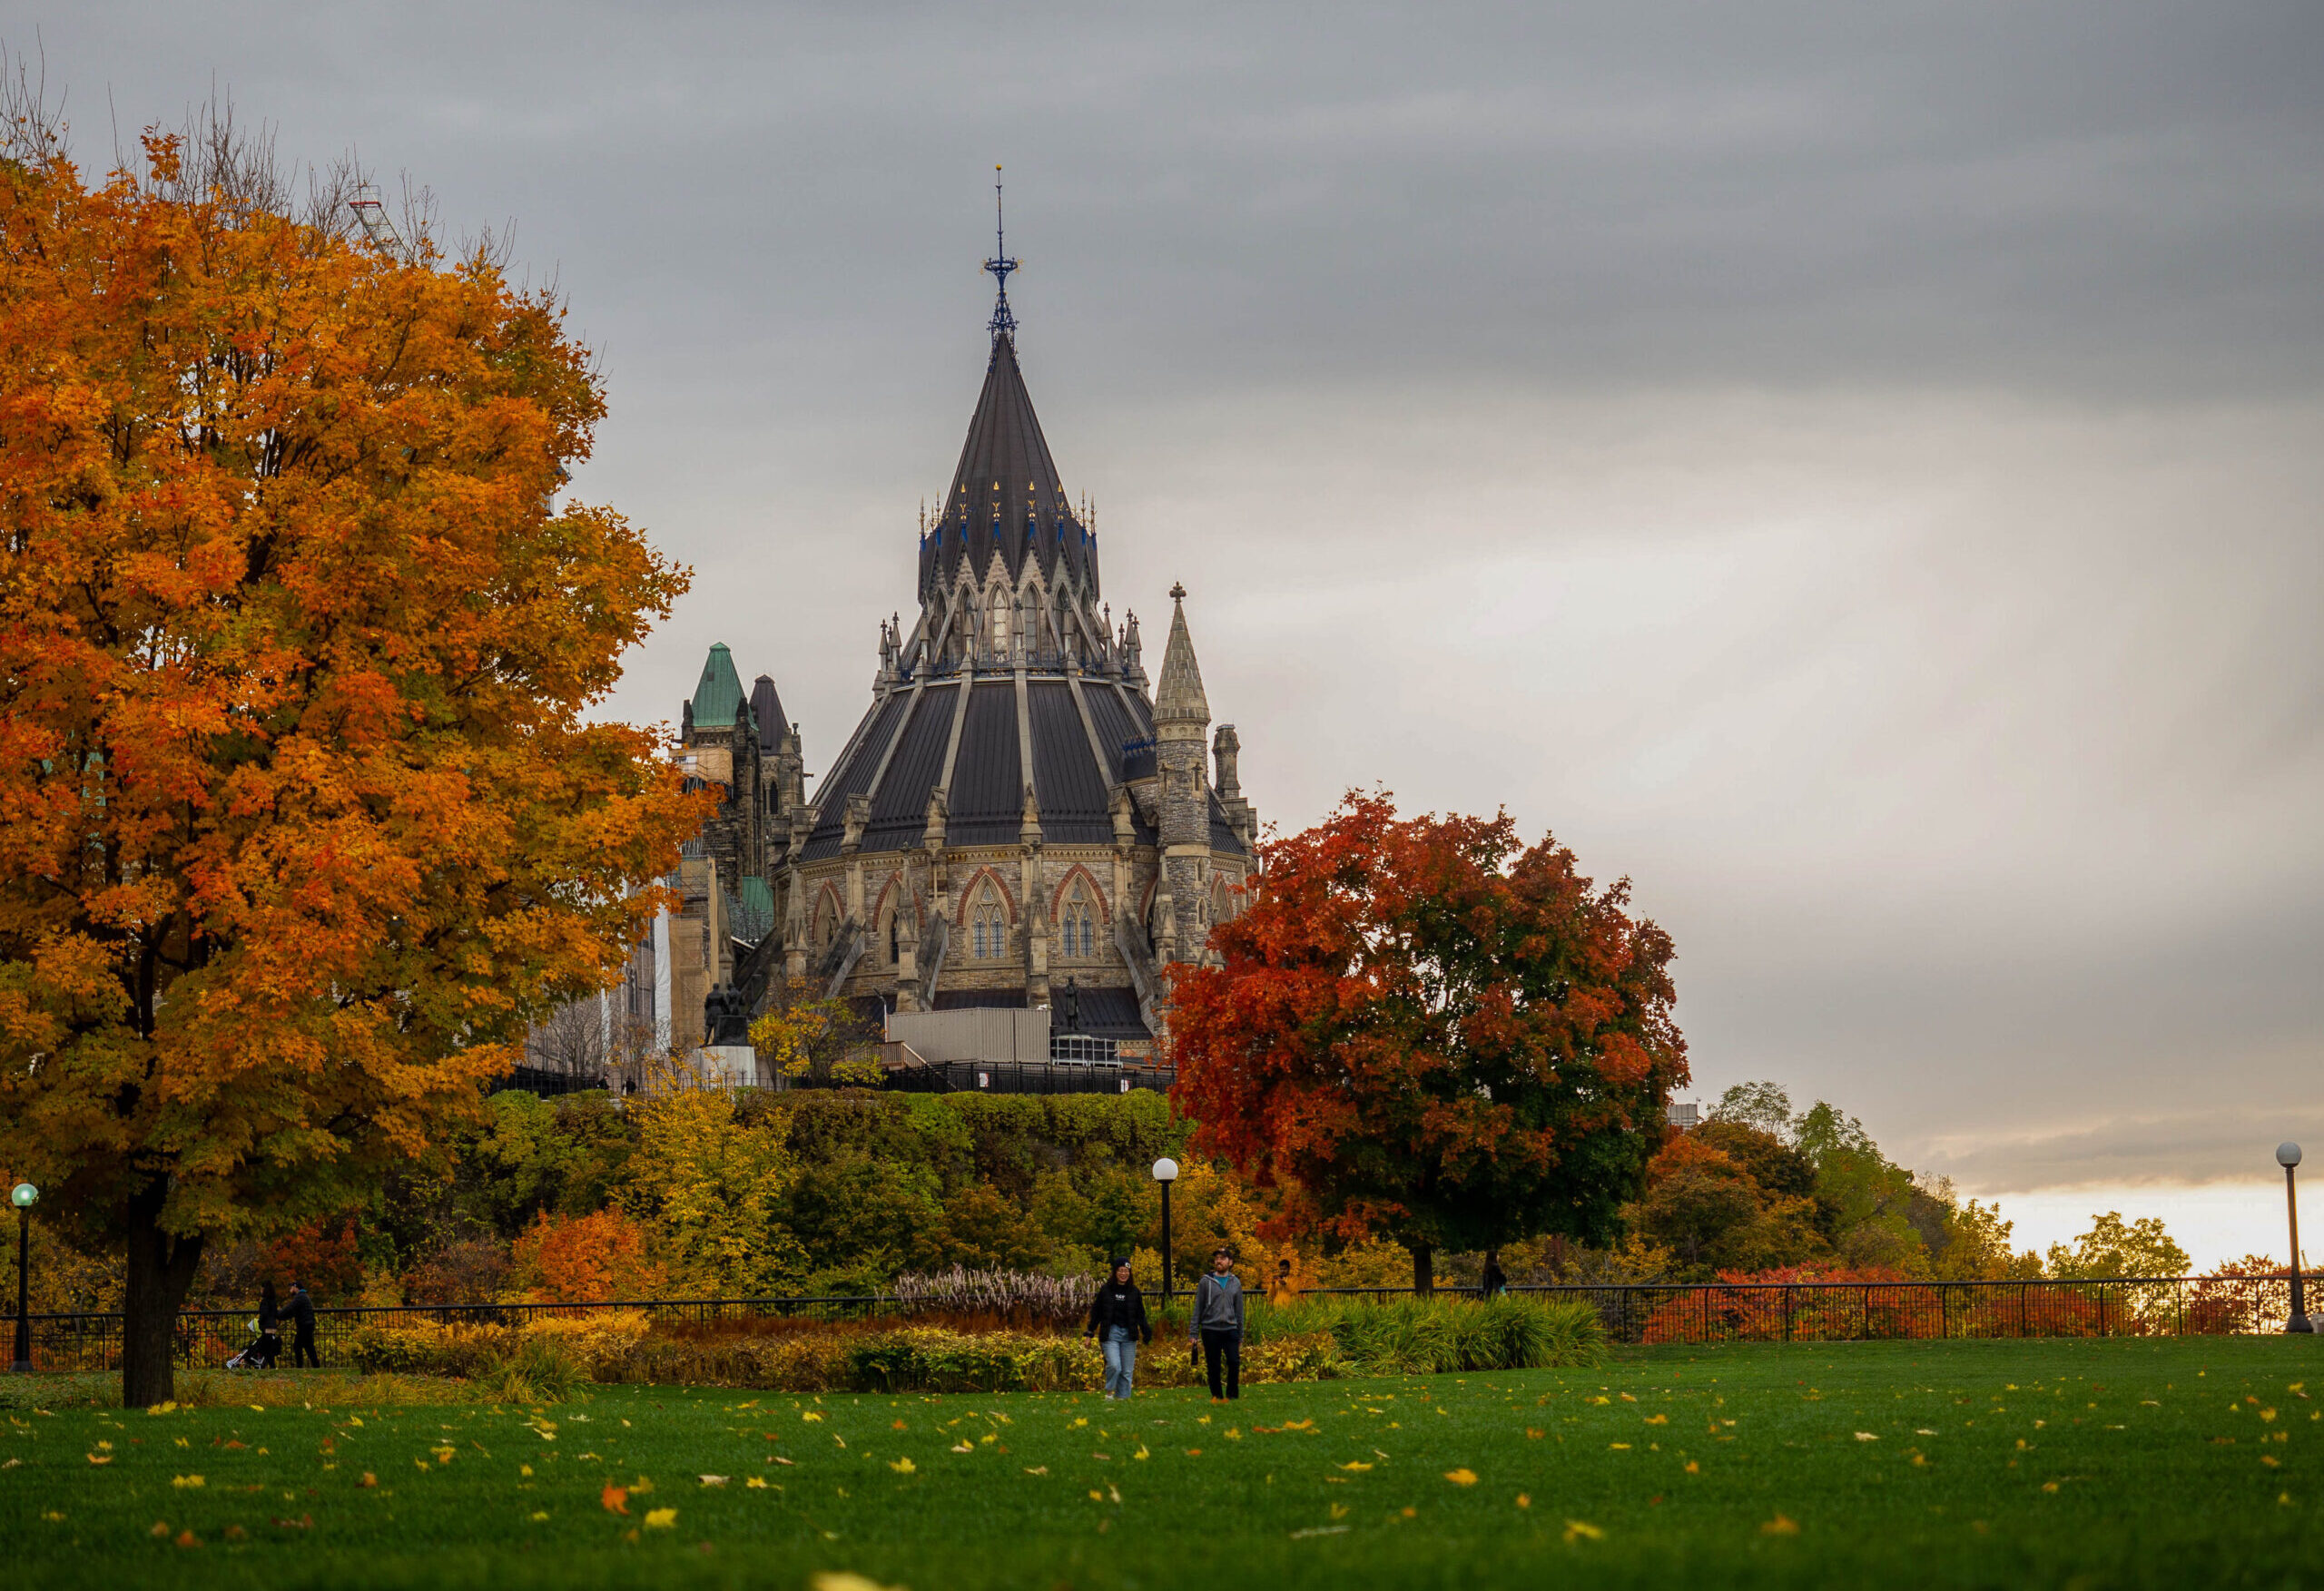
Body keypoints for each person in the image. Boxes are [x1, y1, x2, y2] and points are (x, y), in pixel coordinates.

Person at [1084, 1259, 1152, 1399]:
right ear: (1115, 1272)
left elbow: (1141, 1315)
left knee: (1126, 1371)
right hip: (1111, 1334)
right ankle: (1109, 1393)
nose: (1123, 1274)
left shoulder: (1134, 1292)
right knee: (1115, 1366)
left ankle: (1123, 1399)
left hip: (1129, 1334)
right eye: (1120, 1270)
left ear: (1129, 1273)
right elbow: (1096, 1313)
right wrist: (1089, 1333)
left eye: (1126, 1271)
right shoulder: (1106, 1290)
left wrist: (1146, 1332)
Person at [1188, 1248, 1245, 1402]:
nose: (1219, 1261)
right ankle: (1217, 1396)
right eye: (1217, 1258)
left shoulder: (1235, 1282)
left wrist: (1240, 1334)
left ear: (1230, 1262)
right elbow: (1198, 1307)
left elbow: (1239, 1310)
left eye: (1223, 1258)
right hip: (1210, 1329)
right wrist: (1193, 1333)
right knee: (1213, 1365)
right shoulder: (1206, 1281)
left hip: (1230, 1329)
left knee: (1234, 1361)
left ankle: (1232, 1395)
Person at [283, 1280, 319, 1369]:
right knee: (309, 1347)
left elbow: (289, 1308)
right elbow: (292, 1312)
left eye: (291, 1287)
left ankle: (300, 1367)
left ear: (295, 1287)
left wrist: (278, 1314)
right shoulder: (303, 1296)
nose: (290, 1289)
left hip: (305, 1325)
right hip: (308, 1324)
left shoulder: (300, 1297)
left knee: (297, 1345)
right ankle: (316, 1366)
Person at [255, 1281, 283, 1369]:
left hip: (266, 1327)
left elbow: (264, 1313)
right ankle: (269, 1366)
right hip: (273, 1326)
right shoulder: (273, 1301)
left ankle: (272, 1367)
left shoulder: (265, 1301)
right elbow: (275, 1313)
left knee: (264, 1349)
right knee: (267, 1348)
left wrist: (260, 1322)